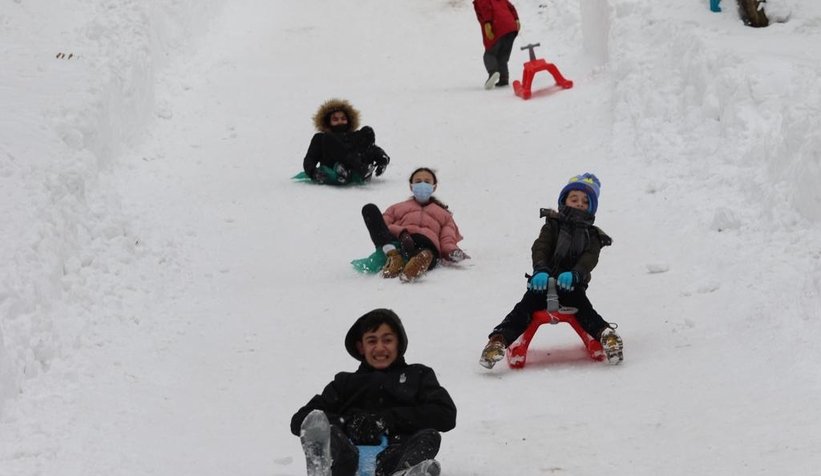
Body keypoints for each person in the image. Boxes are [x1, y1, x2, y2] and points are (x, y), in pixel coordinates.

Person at [478, 173, 624, 368]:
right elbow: (541, 247)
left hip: (572, 284)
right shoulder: (552, 225)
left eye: (585, 201)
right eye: (574, 199)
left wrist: (576, 274)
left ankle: (606, 335)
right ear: (564, 201)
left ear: (592, 208)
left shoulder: (593, 235)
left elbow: (590, 258)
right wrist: (540, 270)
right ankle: (498, 341)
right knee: (525, 308)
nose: (579, 203)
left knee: (583, 309)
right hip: (544, 280)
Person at [291, 309, 457, 476]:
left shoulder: (418, 376)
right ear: (361, 347)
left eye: (387, 340)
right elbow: (302, 420)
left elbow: (445, 414)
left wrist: (388, 420)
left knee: (428, 436)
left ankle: (404, 472)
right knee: (326, 428)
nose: (379, 348)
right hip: (347, 458)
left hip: (395, 454)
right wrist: (349, 423)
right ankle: (325, 468)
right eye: (372, 341)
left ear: (398, 343)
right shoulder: (344, 383)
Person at [361, 167, 468, 282]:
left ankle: (417, 264)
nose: (422, 185)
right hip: (398, 243)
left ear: (434, 186)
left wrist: (452, 251)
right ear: (411, 186)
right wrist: (401, 233)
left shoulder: (444, 215)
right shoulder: (397, 208)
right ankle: (393, 257)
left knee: (427, 252)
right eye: (418, 182)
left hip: (425, 245)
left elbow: (447, 239)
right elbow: (383, 225)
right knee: (369, 209)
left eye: (427, 182)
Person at [303, 98, 391, 185]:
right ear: (328, 122)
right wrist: (313, 172)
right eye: (335, 119)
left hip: (358, 167)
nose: (340, 121)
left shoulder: (354, 135)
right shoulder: (321, 138)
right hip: (335, 168)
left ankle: (361, 169)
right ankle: (355, 169)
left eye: (343, 118)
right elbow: (310, 159)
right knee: (328, 137)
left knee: (367, 131)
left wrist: (382, 159)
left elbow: (372, 148)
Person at [473, 0, 520, 89]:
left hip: (497, 26)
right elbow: (511, 7)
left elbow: (486, 8)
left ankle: (493, 72)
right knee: (502, 56)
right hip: (511, 28)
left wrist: (487, 22)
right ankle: (504, 79)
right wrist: (516, 19)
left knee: (490, 53)